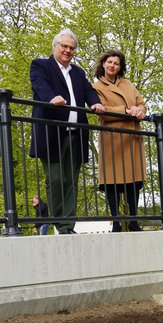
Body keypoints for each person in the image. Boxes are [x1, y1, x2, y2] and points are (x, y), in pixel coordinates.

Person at [29, 29, 105, 234]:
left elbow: (89, 91)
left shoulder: (78, 72)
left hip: (76, 134)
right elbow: (39, 85)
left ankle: (66, 226)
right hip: (51, 134)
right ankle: (59, 221)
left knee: (71, 181)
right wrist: (51, 98)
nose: (68, 50)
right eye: (64, 46)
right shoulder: (41, 65)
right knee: (55, 179)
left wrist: (95, 103)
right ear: (55, 46)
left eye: (71, 48)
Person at [92, 50, 147, 232]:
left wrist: (140, 112)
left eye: (116, 63)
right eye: (109, 62)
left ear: (120, 66)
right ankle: (115, 222)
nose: (112, 66)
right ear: (103, 64)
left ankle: (133, 220)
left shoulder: (128, 84)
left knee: (134, 181)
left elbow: (141, 103)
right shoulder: (97, 87)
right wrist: (125, 110)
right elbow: (102, 110)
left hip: (132, 138)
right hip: (112, 138)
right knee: (112, 181)